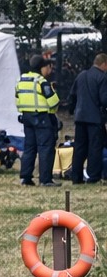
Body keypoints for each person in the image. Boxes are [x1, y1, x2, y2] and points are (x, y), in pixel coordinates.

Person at [15, 54, 61, 187]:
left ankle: (25, 178)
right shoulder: (41, 81)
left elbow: (17, 98)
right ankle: (45, 179)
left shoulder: (21, 79)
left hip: (26, 117)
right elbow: (53, 102)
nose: (49, 70)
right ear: (42, 67)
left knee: (29, 147)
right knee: (46, 148)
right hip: (41, 118)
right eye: (48, 67)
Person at [67, 53, 107, 184]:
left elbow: (72, 95)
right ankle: (93, 176)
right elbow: (104, 99)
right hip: (95, 119)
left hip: (80, 117)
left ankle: (76, 177)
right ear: (104, 64)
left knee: (79, 148)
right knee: (95, 148)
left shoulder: (81, 75)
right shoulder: (102, 77)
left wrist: (72, 110)